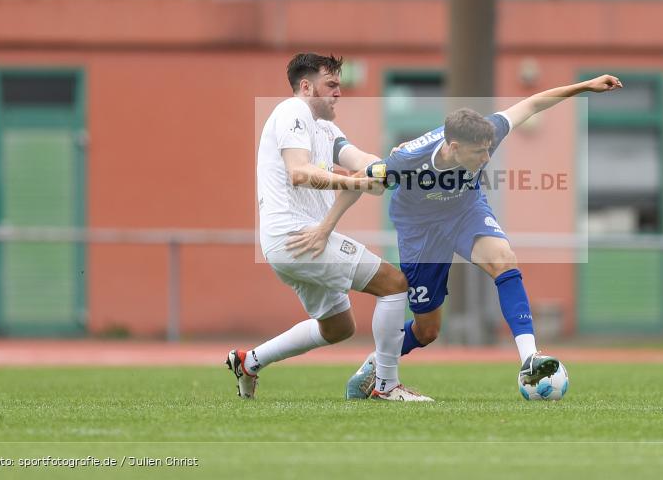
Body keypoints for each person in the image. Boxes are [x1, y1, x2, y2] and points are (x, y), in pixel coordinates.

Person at [286, 73, 622, 398]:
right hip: (419, 230)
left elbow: (533, 104)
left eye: (489, 149)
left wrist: (586, 86)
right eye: (479, 152)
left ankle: (529, 358)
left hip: (465, 212)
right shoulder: (407, 159)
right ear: (455, 147)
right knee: (427, 330)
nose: (487, 157)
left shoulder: (486, 130)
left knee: (503, 260)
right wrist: (325, 228)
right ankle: (377, 362)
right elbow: (360, 181)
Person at [226, 52, 432, 402]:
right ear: (306, 87)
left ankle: (249, 362)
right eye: (331, 85)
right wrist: (356, 184)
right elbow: (299, 171)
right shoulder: (292, 112)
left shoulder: (325, 128)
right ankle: (386, 386)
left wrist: (386, 166)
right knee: (395, 285)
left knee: (338, 328)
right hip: (296, 236)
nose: (339, 92)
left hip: (295, 241)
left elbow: (359, 160)